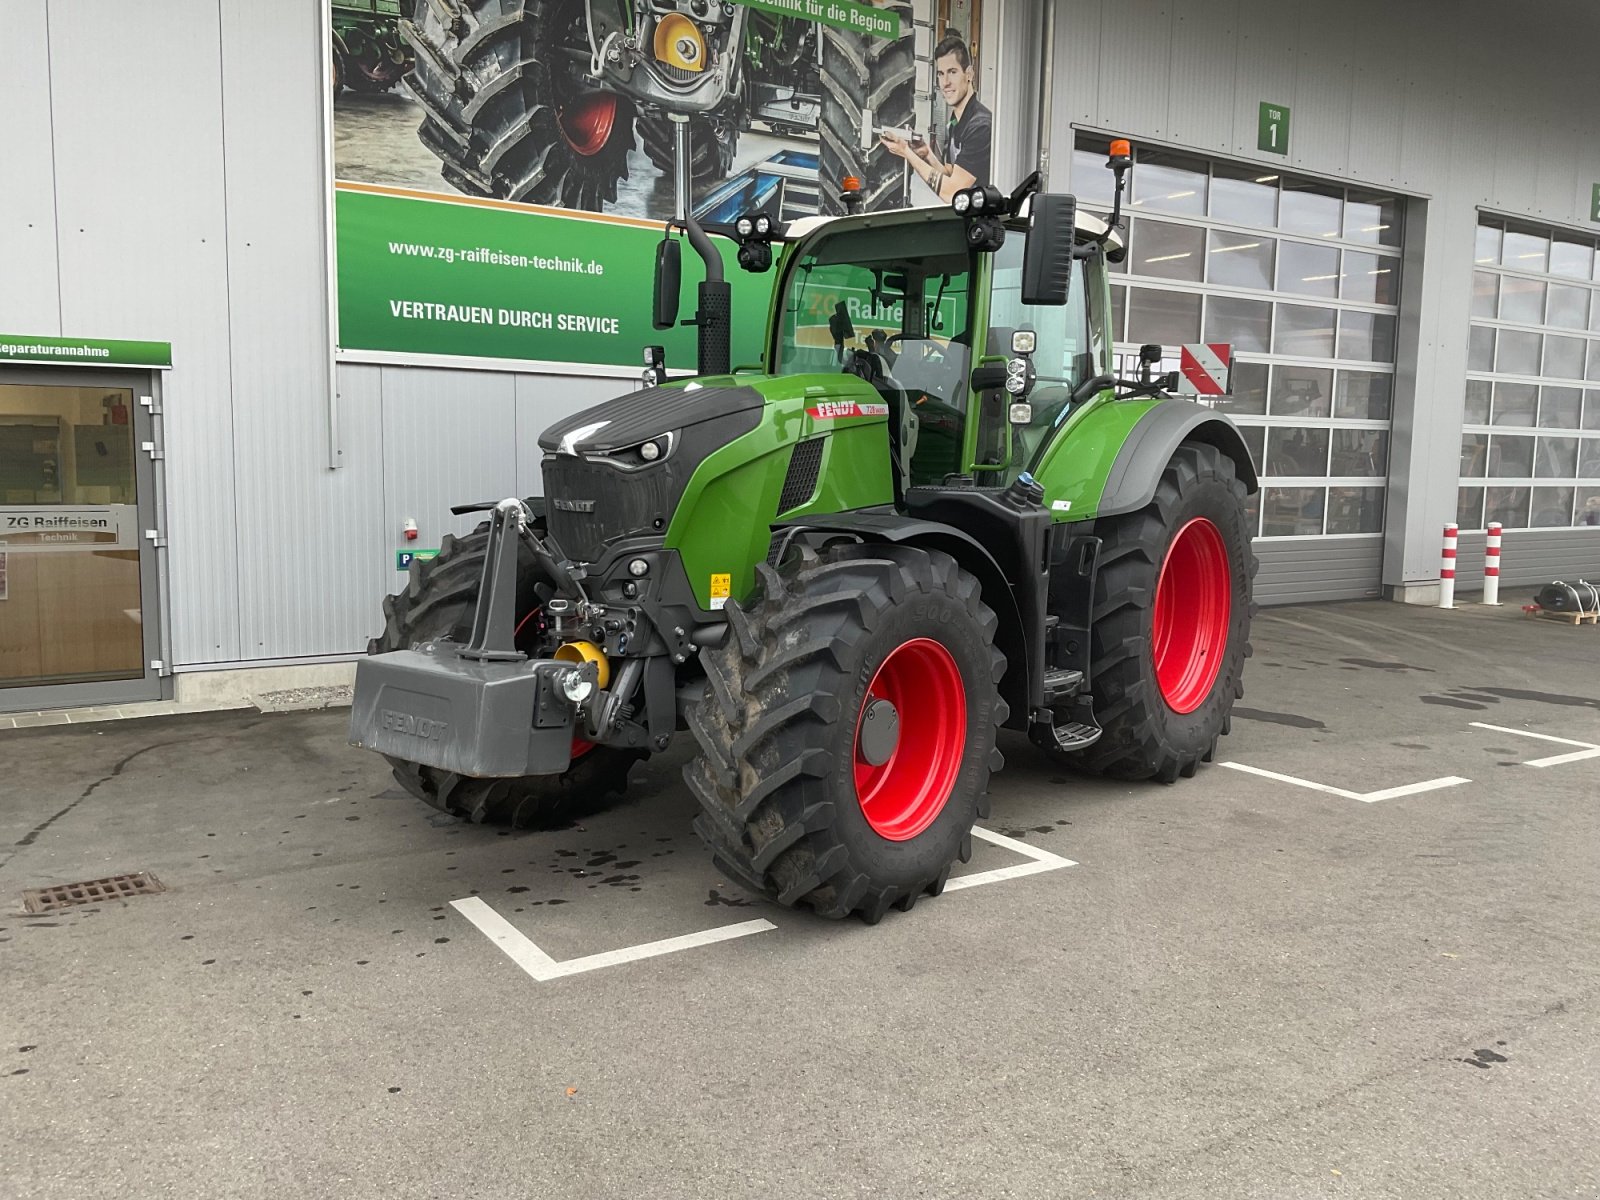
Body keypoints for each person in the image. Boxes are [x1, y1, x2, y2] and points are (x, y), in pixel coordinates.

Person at [879, 34, 991, 203]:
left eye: (952, 72)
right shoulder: (956, 121)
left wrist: (907, 153)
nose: (945, 82)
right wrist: (927, 155)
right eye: (940, 74)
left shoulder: (980, 126)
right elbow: (953, 175)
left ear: (969, 74)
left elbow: (953, 192)